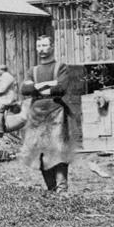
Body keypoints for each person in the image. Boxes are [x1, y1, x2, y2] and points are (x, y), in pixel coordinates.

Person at [20, 35, 76, 194]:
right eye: (39, 46)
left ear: (52, 47)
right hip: (37, 113)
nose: (41, 49)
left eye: (45, 45)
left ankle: (62, 189)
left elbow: (61, 89)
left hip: (56, 111)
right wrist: (48, 84)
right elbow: (24, 90)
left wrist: (36, 87)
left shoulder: (61, 67)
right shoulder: (33, 70)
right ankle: (51, 189)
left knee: (58, 151)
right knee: (40, 151)